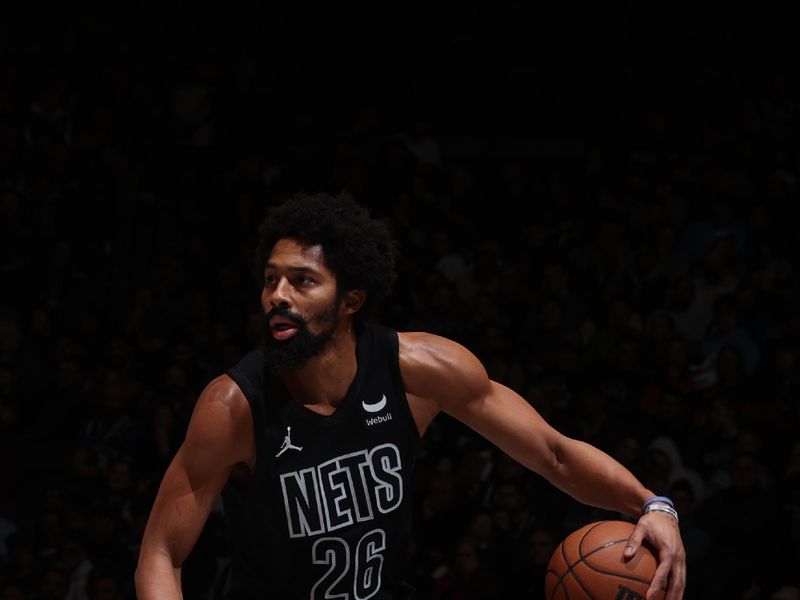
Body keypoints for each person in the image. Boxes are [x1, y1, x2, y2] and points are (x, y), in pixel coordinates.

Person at [135, 192, 686, 600]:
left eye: (302, 281)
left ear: (350, 299)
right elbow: (162, 553)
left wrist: (651, 504)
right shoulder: (232, 407)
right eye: (270, 279)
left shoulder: (420, 371)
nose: (278, 295)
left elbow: (554, 453)